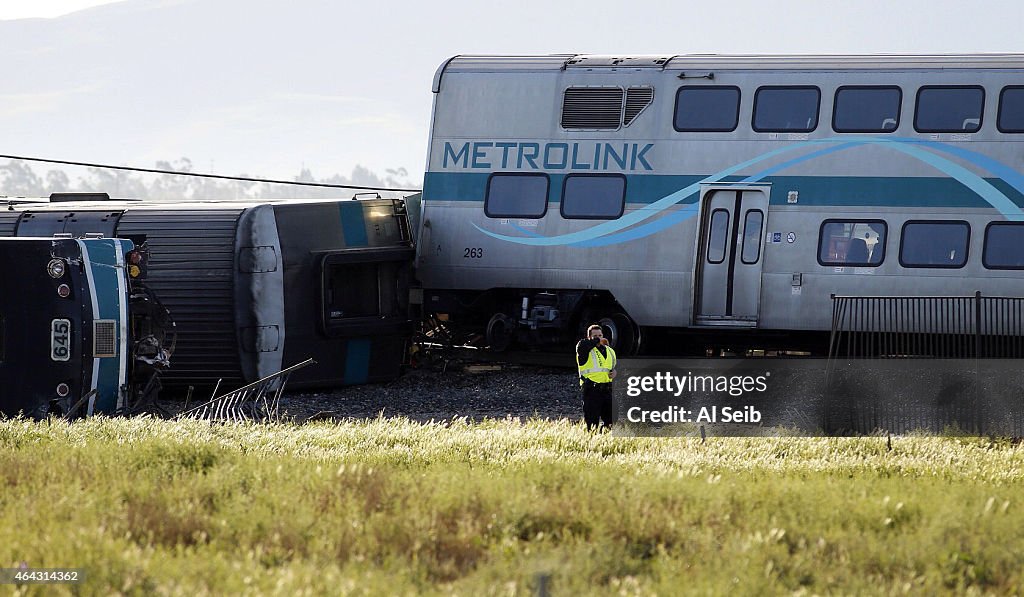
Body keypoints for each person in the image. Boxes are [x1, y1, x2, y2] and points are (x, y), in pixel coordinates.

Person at [576, 323, 617, 431]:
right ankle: (592, 442)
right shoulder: (584, 348)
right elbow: (584, 345)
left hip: (607, 390)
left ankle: (604, 441)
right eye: (595, 336)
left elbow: (612, 368)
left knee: (612, 421)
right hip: (591, 390)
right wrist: (596, 342)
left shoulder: (610, 351)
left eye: (600, 335)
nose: (598, 338)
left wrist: (615, 373)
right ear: (589, 337)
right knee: (592, 423)